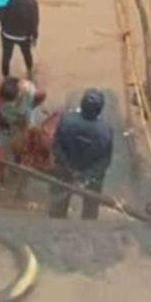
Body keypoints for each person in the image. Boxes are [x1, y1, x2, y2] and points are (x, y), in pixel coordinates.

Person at [49, 90, 113, 220]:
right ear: (99, 110)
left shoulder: (66, 119)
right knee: (91, 205)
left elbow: (57, 146)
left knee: (58, 203)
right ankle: (88, 227)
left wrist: (70, 169)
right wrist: (87, 175)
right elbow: (104, 160)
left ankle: (55, 224)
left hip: (65, 170)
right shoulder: (105, 130)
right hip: (91, 177)